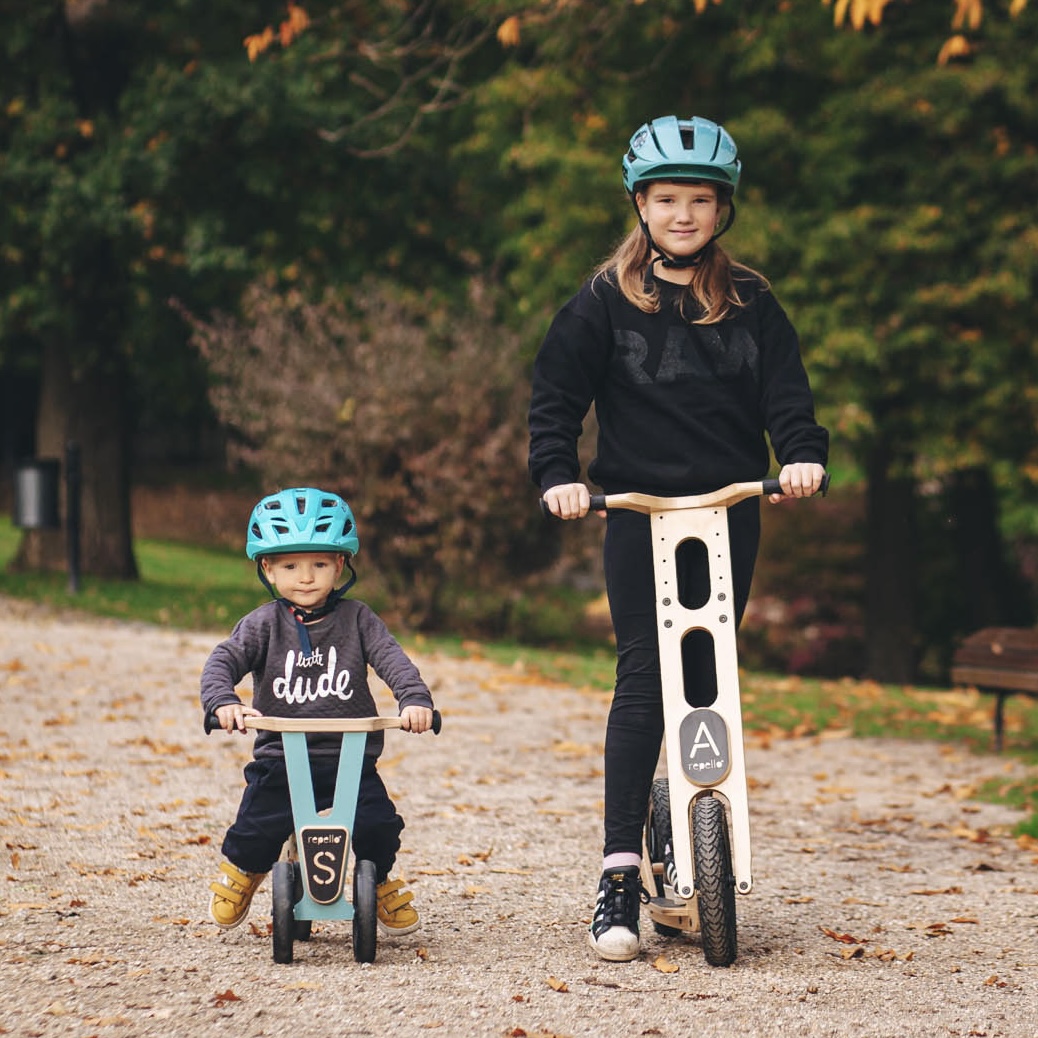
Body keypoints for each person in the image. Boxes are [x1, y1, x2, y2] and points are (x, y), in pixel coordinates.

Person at [528, 115, 828, 961]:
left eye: (700, 199)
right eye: (667, 199)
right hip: (637, 512)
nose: (684, 214)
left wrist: (801, 457)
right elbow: (555, 398)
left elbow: (787, 399)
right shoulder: (603, 302)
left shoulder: (751, 301)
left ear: (722, 208)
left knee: (708, 673)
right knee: (644, 678)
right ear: (641, 204)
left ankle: (710, 844)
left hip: (729, 507)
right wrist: (559, 476)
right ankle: (620, 871)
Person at [201, 487, 436, 936]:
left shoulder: (358, 619)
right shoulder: (261, 625)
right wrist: (224, 702)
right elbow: (222, 661)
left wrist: (415, 701)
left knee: (379, 826)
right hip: (281, 761)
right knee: (256, 826)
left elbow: (393, 660)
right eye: (290, 566)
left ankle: (379, 879)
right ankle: (247, 872)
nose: (306, 578)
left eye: (319, 565)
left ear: (340, 565)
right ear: (267, 568)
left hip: (348, 759)